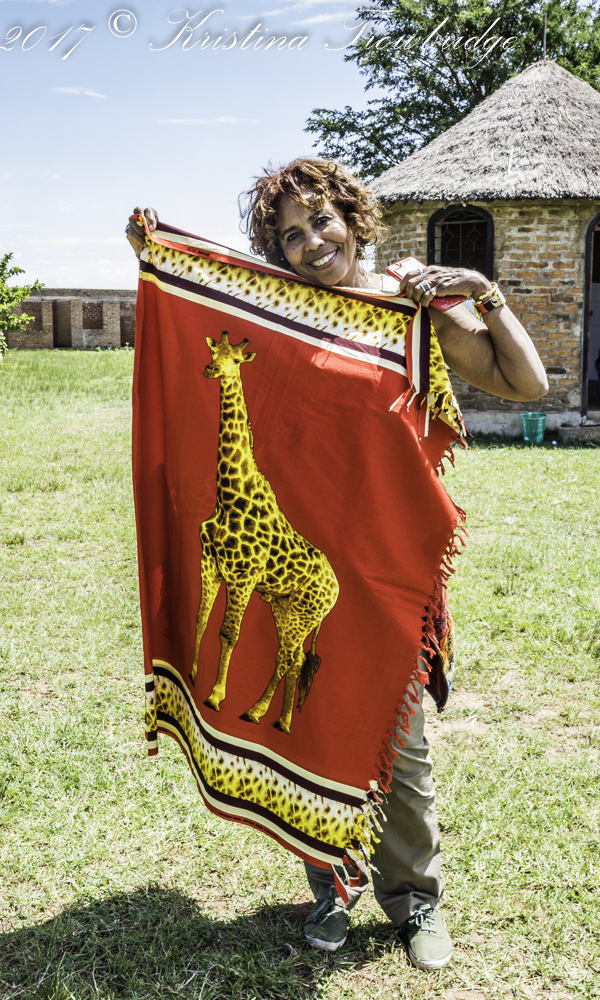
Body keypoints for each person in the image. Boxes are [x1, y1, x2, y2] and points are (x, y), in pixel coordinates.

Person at [126, 157, 547, 971]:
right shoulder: (279, 314)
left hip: (384, 570)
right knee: (309, 726)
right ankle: (328, 888)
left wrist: (481, 292)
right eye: (289, 236)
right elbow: (200, 328)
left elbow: (522, 382)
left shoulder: (408, 302)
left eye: (321, 220)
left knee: (399, 748)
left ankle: (415, 899)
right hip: (297, 557)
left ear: (353, 219)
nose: (312, 243)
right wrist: (159, 259)